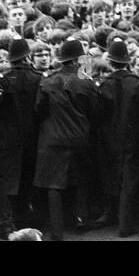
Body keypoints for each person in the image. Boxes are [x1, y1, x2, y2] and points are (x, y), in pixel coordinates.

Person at [33, 37, 99, 241]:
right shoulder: (86, 82)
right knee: (80, 180)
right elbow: (95, 112)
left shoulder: (47, 80)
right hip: (79, 137)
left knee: (54, 185)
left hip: (52, 139)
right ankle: (81, 219)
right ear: (79, 59)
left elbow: (38, 110)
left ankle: (57, 230)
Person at [0, 37, 41, 237]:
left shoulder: (4, 80)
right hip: (31, 139)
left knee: (7, 183)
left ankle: (6, 223)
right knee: (26, 180)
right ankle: (26, 217)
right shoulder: (39, 78)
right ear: (28, 56)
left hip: (6, 140)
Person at [97, 38, 139, 237]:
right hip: (134, 137)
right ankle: (126, 222)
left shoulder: (104, 85)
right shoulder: (138, 84)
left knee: (113, 176)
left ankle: (113, 215)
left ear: (110, 62)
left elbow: (98, 113)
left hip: (110, 138)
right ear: (128, 61)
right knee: (130, 179)